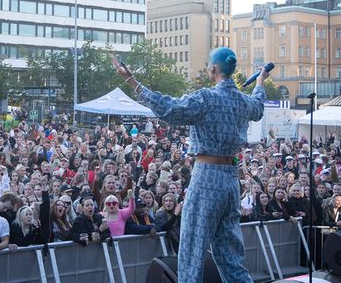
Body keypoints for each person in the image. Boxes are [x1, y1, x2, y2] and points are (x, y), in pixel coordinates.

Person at [113, 47, 265, 283]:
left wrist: (132, 81)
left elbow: (169, 109)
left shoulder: (206, 98)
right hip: (231, 180)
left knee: (192, 251)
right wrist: (261, 82)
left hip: (206, 178)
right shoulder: (244, 102)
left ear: (214, 69)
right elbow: (259, 106)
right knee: (230, 257)